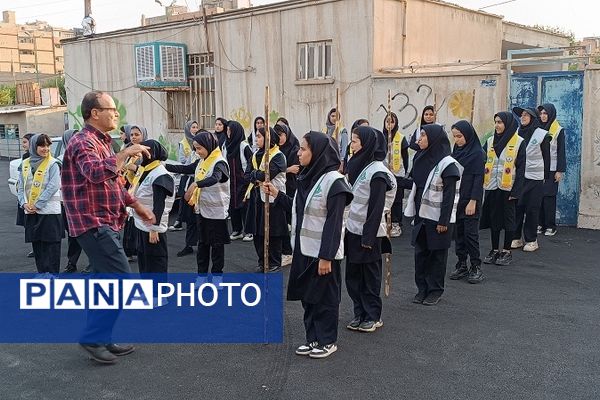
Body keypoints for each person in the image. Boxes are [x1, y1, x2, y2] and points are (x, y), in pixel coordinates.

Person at [62, 90, 155, 364]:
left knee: (104, 283)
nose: (116, 113)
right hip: (92, 222)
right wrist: (125, 153)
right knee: (121, 278)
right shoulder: (83, 142)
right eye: (111, 109)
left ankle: (101, 338)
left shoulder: (103, 143)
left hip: (108, 221)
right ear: (94, 113)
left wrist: (136, 205)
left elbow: (112, 183)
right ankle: (93, 337)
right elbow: (94, 172)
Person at [263, 131, 352, 358]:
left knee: (325, 299)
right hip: (304, 250)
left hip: (322, 254)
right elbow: (299, 210)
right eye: (299, 148)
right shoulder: (307, 178)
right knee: (308, 297)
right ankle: (312, 338)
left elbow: (334, 223)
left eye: (303, 149)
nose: (298, 153)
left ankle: (327, 340)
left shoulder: (335, 182)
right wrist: (276, 194)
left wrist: (326, 256)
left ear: (318, 152)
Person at [345, 126, 397, 331]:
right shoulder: (356, 164)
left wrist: (368, 237)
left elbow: (376, 208)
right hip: (352, 229)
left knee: (369, 277)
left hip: (370, 234)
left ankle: (373, 315)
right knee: (353, 276)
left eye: (356, 140)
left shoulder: (378, 172)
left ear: (366, 144)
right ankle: (359, 312)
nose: (352, 144)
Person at [404, 124, 462, 306]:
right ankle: (422, 289)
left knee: (436, 257)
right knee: (421, 254)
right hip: (422, 216)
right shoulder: (420, 158)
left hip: (438, 219)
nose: (418, 140)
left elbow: (450, 196)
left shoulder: (448, 165)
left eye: (422, 136)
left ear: (434, 139)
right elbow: (415, 184)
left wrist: (444, 221)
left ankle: (435, 290)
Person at [165, 131, 231, 285]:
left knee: (216, 247)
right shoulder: (201, 161)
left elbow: (215, 178)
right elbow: (185, 168)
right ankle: (201, 276)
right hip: (201, 210)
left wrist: (196, 184)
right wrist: (163, 165)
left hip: (217, 213)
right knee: (202, 245)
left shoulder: (220, 162)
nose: (197, 152)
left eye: (199, 148)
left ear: (209, 146)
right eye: (195, 148)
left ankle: (217, 277)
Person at [130, 139, 175, 306]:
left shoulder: (159, 174)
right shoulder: (146, 170)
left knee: (156, 261)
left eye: (144, 152)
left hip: (152, 227)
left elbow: (160, 205)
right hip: (141, 224)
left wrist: (154, 227)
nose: (141, 155)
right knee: (144, 259)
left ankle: (159, 296)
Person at [480, 112, 525, 266]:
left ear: (508, 123)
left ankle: (506, 250)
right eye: (495, 122)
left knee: (509, 220)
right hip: (492, 187)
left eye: (500, 122)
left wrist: (516, 192)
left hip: (508, 189)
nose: (497, 125)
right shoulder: (490, 141)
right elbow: (483, 161)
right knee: (494, 220)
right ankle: (494, 249)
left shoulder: (519, 142)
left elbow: (521, 170)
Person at [17, 133, 64, 275]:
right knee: (38, 247)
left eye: (48, 145)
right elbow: (21, 187)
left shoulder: (53, 163)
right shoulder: (24, 164)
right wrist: (24, 203)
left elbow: (53, 186)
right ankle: (42, 275)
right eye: (42, 145)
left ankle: (52, 277)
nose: (46, 149)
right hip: (31, 212)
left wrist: (37, 205)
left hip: (49, 213)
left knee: (52, 248)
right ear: (33, 146)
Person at [244, 127, 287, 273]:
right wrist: (256, 174)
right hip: (256, 197)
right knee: (258, 231)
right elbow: (246, 175)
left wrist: (255, 175)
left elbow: (266, 176)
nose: (257, 140)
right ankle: (262, 261)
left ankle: (274, 262)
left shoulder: (278, 156)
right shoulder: (255, 154)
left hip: (273, 198)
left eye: (260, 137)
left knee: (273, 231)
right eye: (256, 137)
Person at [448, 121, 485, 283]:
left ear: (468, 135)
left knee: (471, 235)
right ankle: (461, 263)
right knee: (459, 234)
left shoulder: (477, 153)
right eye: (455, 137)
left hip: (471, 200)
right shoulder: (457, 151)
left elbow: (478, 179)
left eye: (460, 136)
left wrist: (473, 201)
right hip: (458, 199)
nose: (457, 140)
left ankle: (476, 266)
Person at [511, 107, 550, 252]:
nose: (523, 117)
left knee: (532, 209)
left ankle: (531, 240)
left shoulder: (542, 135)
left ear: (533, 118)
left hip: (535, 179)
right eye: (521, 115)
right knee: (517, 207)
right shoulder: (516, 133)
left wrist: (546, 177)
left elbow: (547, 158)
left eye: (526, 115)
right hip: (519, 178)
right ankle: (516, 238)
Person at [170, 121, 201, 259]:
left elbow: (190, 169)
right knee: (190, 219)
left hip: (199, 188)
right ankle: (189, 244)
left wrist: (168, 166)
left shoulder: (208, 157)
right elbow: (186, 166)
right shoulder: (193, 152)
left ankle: (202, 245)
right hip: (188, 184)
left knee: (199, 219)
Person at [275, 119, 301, 267]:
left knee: (292, 219)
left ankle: (291, 252)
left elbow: (297, 169)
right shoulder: (275, 149)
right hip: (280, 188)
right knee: (284, 221)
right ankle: (287, 251)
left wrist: (285, 170)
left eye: (281, 134)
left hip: (292, 187)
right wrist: (286, 169)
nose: (279, 138)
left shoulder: (294, 147)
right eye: (276, 135)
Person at [537, 103, 566, 236]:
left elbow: (561, 152)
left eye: (545, 113)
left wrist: (559, 171)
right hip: (538, 168)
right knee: (538, 197)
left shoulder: (558, 130)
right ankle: (540, 224)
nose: (543, 116)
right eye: (541, 114)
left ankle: (550, 226)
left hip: (552, 169)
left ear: (551, 114)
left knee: (549, 197)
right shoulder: (537, 129)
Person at [122, 124, 149, 262]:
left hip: (143, 189)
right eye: (131, 135)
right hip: (131, 187)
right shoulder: (128, 150)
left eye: (137, 134)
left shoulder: (147, 152)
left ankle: (138, 250)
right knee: (130, 221)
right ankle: (130, 251)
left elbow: (149, 171)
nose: (133, 137)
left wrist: (135, 168)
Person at [223, 120, 252, 240]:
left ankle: (249, 231)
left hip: (242, 181)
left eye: (230, 130)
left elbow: (251, 162)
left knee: (245, 207)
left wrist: (247, 178)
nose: (228, 132)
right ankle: (237, 230)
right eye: (227, 130)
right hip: (231, 181)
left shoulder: (243, 146)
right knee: (233, 206)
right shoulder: (226, 145)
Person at [383, 112, 409, 237]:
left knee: (397, 199)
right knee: (384, 198)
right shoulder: (380, 137)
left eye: (392, 122)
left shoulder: (401, 138)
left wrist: (403, 172)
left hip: (397, 173)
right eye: (387, 121)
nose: (389, 124)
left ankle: (396, 223)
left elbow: (406, 157)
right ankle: (384, 222)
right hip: (383, 174)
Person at [61, 129, 83, 273]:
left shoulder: (83, 155)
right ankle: (72, 262)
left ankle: (93, 264)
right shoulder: (59, 159)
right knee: (72, 235)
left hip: (82, 201)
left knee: (88, 234)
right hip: (66, 203)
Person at [16, 133, 35, 258]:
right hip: (25, 197)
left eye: (25, 142)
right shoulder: (25, 158)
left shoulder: (36, 159)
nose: (23, 145)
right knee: (29, 224)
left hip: (34, 199)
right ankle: (35, 247)